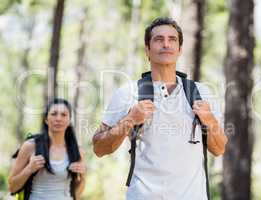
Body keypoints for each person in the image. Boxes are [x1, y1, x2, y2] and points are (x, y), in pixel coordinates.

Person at [92, 17, 228, 200]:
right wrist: (130, 119)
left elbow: (219, 149)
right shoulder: (128, 93)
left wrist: (209, 119)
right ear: (147, 49)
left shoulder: (202, 92)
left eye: (172, 40)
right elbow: (99, 148)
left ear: (179, 49)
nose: (166, 44)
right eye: (158, 39)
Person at [8, 98, 86, 200]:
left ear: (69, 121)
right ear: (46, 119)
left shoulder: (77, 151)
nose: (58, 118)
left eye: (63, 115)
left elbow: (77, 194)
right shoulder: (30, 146)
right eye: (54, 114)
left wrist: (83, 176)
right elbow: (12, 188)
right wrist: (29, 169)